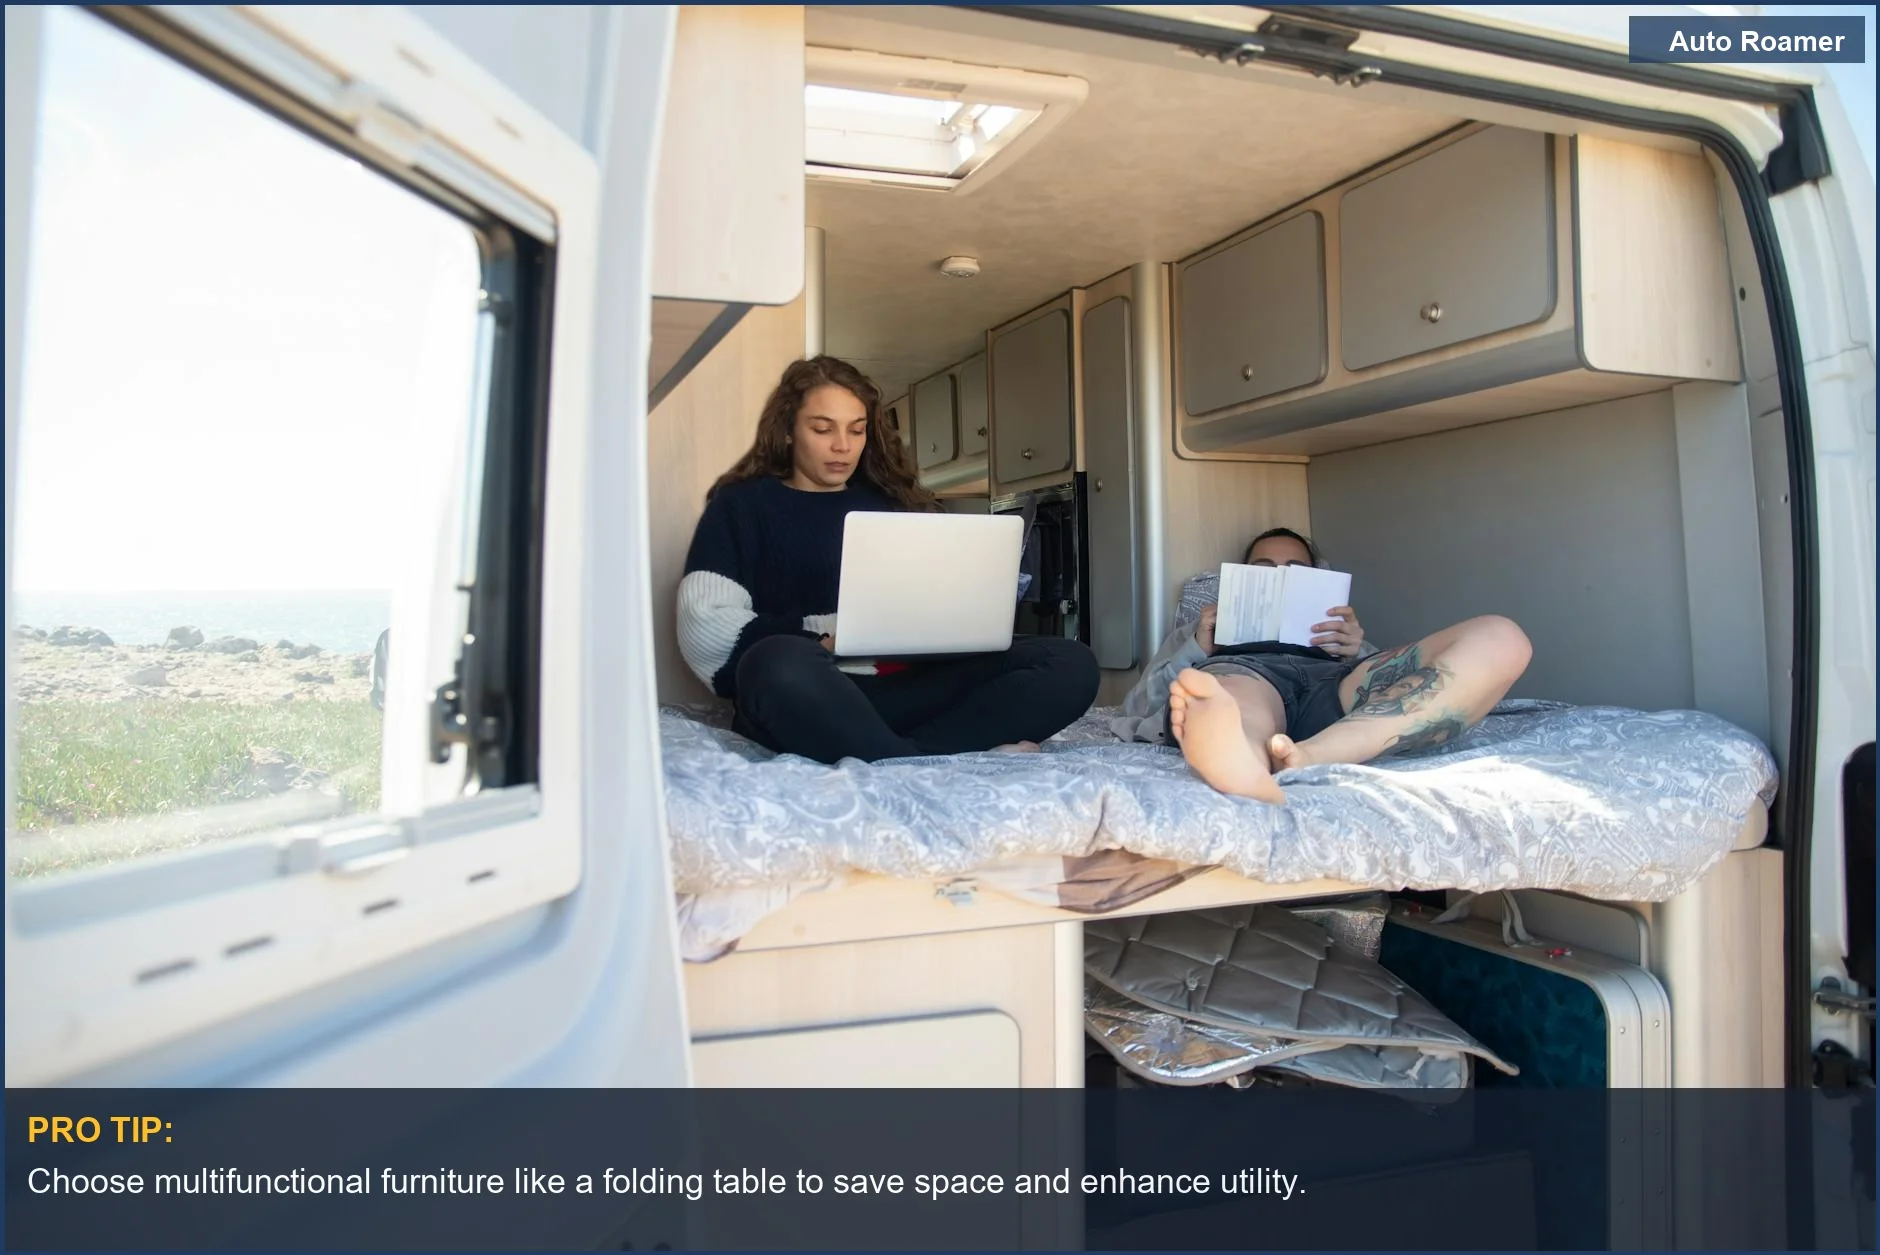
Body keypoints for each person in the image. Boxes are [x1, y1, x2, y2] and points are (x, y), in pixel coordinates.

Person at [677, 355, 1099, 764]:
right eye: (823, 429)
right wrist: (825, 638)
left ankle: (898, 756)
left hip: (908, 686)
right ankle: (930, 754)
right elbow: (707, 626)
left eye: (857, 430)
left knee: (1071, 663)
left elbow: (938, 599)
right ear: (787, 430)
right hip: (816, 693)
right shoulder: (742, 505)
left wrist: (962, 619)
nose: (843, 446)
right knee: (775, 663)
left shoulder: (896, 503)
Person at [1115, 527, 1531, 803]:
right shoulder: (1199, 631)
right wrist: (1196, 647)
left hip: (1334, 680)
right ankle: (1240, 754)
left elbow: (1402, 685)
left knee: (1501, 637)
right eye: (1264, 571)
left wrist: (1358, 650)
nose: (1279, 577)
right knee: (1238, 698)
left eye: (1295, 572)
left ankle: (1310, 756)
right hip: (1243, 670)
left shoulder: (1343, 632)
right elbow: (1135, 708)